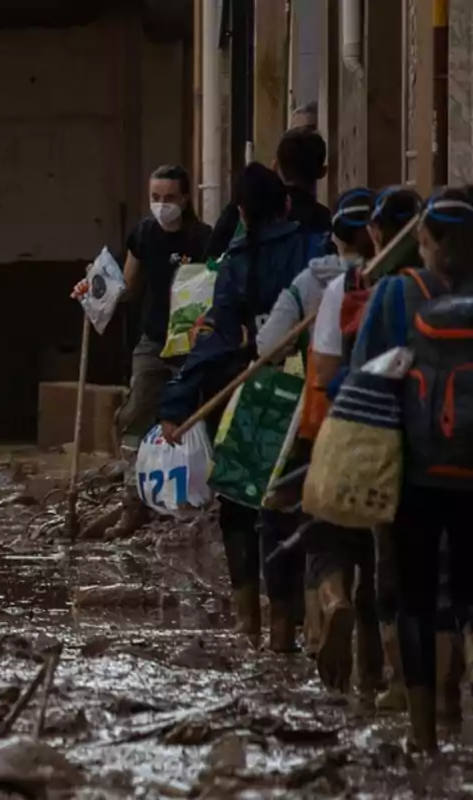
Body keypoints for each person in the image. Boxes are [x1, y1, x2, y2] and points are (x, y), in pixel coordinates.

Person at [158, 163, 328, 649]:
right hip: (300, 395)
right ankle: (283, 627)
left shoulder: (234, 262)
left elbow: (211, 338)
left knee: (237, 504)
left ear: (241, 214)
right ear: (287, 205)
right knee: (286, 507)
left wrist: (175, 403)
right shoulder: (312, 252)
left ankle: (246, 620)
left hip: (239, 392)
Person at [349, 187, 473, 751]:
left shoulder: (397, 293)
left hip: (414, 471)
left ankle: (424, 738)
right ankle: (458, 706)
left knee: (415, 597)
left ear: (426, 242)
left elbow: (363, 377)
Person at [259, 188, 381, 692]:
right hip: (393, 437)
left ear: (333, 237)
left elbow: (270, 348)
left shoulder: (320, 285)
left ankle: (330, 605)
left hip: (328, 430)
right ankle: (382, 685)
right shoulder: (404, 282)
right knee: (378, 552)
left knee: (325, 536)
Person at [311, 186, 422, 710]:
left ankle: (369, 672)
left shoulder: (352, 288)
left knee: (338, 536)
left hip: (363, 433)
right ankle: (424, 694)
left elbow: (328, 373)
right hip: (433, 439)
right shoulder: (445, 288)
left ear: (378, 232)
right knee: (409, 559)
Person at [73, 164, 211, 535]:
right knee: (134, 416)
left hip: (195, 345)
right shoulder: (144, 234)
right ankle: (134, 504)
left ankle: (198, 506)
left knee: (199, 420)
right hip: (153, 341)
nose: (161, 205)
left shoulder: (204, 239)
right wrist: (94, 290)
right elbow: (127, 288)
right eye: (155, 198)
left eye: (169, 198)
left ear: (185, 199)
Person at [205, 126, 331, 260]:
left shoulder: (248, 207)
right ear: (323, 171)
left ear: (275, 167)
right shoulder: (324, 224)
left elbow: (209, 261)